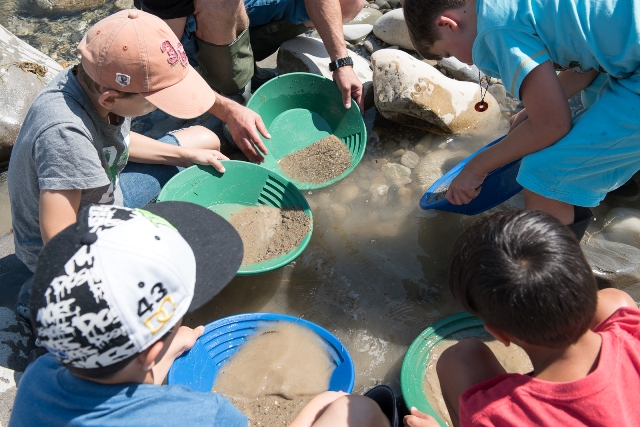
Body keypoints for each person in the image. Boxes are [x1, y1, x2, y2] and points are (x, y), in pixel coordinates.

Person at [8, 202, 391, 427]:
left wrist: (170, 348)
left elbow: (118, 388)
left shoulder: (38, 380)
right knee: (356, 408)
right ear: (147, 353)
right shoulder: (204, 415)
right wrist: (313, 407)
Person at [8, 9, 229, 319]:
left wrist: (186, 155)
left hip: (104, 193)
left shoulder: (89, 79)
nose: (162, 107)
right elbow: (59, 239)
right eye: (155, 100)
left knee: (204, 141)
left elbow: (118, 142)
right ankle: (36, 295)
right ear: (111, 100)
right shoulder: (64, 134)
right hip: (77, 240)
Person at [403, 0, 640, 238]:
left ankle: (548, 270)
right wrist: (534, 108)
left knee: (543, 175)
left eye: (448, 53)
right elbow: (589, 61)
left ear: (449, 24)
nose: (464, 63)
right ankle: (613, 176)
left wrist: (477, 167)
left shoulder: (495, 30)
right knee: (592, 109)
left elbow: (553, 125)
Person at [404, 209, 640, 427]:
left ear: (499, 334)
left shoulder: (496, 416)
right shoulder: (632, 331)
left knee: (459, 358)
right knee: (614, 301)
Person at [134, 0, 365, 162]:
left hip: (246, 5)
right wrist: (226, 110)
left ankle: (243, 56)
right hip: (181, 23)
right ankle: (229, 87)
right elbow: (164, 60)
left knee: (350, 2)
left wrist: (341, 63)